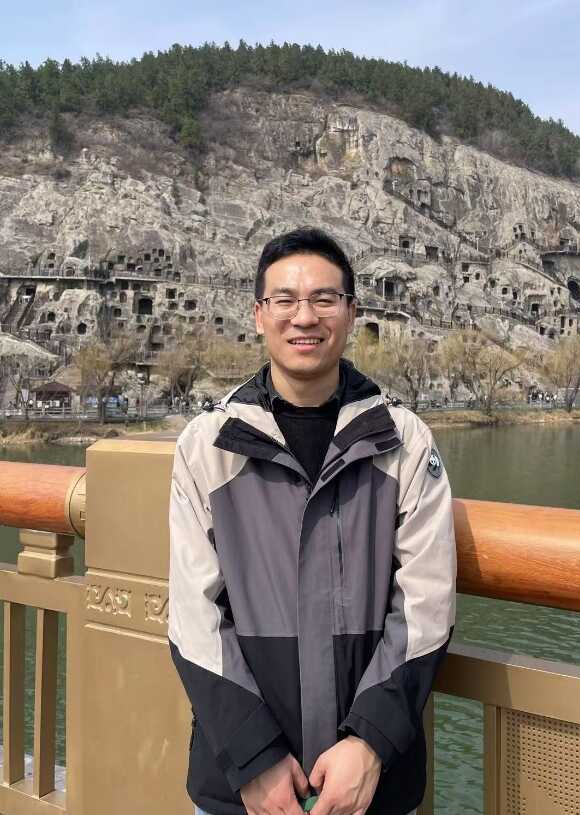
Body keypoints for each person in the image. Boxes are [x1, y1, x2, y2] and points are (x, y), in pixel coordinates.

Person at [169, 228, 456, 815]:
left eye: (325, 299)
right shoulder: (208, 447)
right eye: (285, 300)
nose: (305, 317)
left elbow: (426, 606)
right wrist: (254, 756)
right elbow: (194, 616)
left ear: (351, 313)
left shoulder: (402, 441)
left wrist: (369, 743)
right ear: (259, 315)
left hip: (372, 785)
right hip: (242, 788)